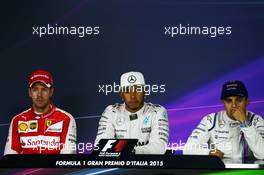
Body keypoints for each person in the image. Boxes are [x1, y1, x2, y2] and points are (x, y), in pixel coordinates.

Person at [183, 80, 264, 160]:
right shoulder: (211, 120)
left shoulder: (256, 120)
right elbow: (187, 149)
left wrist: (245, 123)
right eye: (229, 100)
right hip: (220, 171)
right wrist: (208, 153)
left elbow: (262, 154)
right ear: (223, 103)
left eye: (239, 100)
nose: (234, 105)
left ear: (247, 101)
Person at [95, 71, 169, 154]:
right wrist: (131, 151)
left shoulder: (157, 112)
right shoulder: (111, 112)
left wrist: (127, 150)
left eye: (137, 90)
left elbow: (158, 148)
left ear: (145, 92)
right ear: (121, 94)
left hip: (148, 166)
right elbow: (100, 147)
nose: (133, 96)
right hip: (117, 166)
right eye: (127, 91)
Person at [4, 70, 77, 154]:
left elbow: (67, 158)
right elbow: (9, 158)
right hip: (26, 167)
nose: (39, 94)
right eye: (35, 89)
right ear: (30, 92)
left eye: (44, 89)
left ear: (51, 92)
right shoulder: (17, 120)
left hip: (54, 167)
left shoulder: (66, 119)